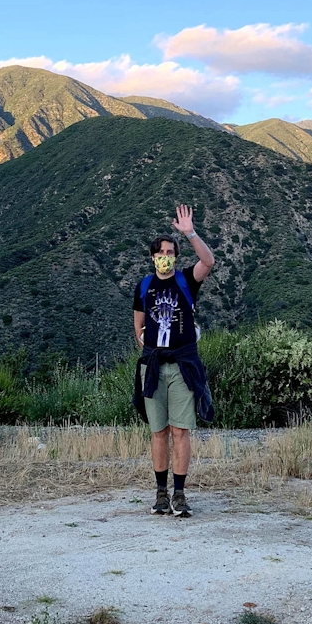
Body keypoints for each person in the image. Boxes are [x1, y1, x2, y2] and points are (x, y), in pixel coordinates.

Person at [132, 204, 215, 517]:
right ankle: (160, 493)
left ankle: (179, 494)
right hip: (154, 366)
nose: (165, 255)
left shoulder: (185, 281)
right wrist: (148, 346)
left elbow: (208, 261)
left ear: (175, 257)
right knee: (158, 432)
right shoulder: (143, 286)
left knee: (180, 431)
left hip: (182, 366)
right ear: (153, 256)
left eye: (170, 251)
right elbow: (138, 327)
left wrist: (190, 233)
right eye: (160, 251)